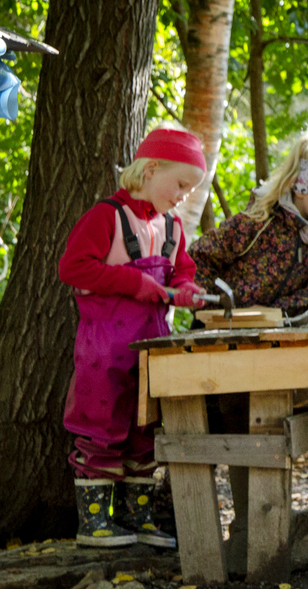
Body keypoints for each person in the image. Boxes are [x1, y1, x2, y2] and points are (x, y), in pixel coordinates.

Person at [58, 124, 207, 547]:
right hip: (103, 352)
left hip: (150, 349)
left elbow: (182, 271)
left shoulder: (172, 226)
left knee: (144, 431)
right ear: (150, 170)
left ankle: (137, 517)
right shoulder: (107, 215)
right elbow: (72, 268)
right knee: (100, 428)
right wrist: (134, 283)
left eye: (190, 190)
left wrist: (187, 290)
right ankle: (94, 524)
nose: (184, 196)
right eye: (181, 184)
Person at [190, 130, 308, 316]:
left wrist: (273, 311)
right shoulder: (258, 221)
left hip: (274, 328)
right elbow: (199, 256)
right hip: (221, 324)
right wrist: (213, 307)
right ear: (300, 189)